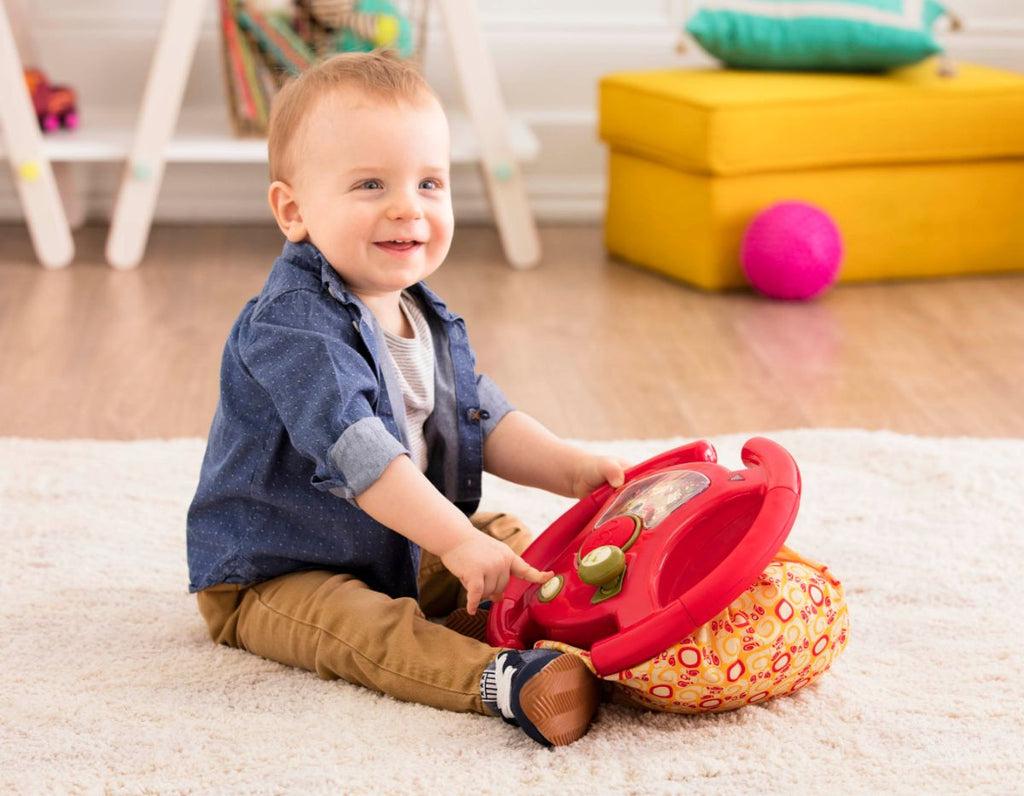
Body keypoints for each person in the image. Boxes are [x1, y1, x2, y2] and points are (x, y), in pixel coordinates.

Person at [186, 50, 628, 747]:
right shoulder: (293, 324)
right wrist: (452, 539)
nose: (407, 208)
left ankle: (601, 622)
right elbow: (361, 453)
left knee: (515, 542)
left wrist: (571, 470)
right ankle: (503, 681)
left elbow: (480, 413)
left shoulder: (417, 308)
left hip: (394, 545)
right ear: (293, 210)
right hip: (281, 570)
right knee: (363, 627)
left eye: (429, 183)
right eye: (370, 184)